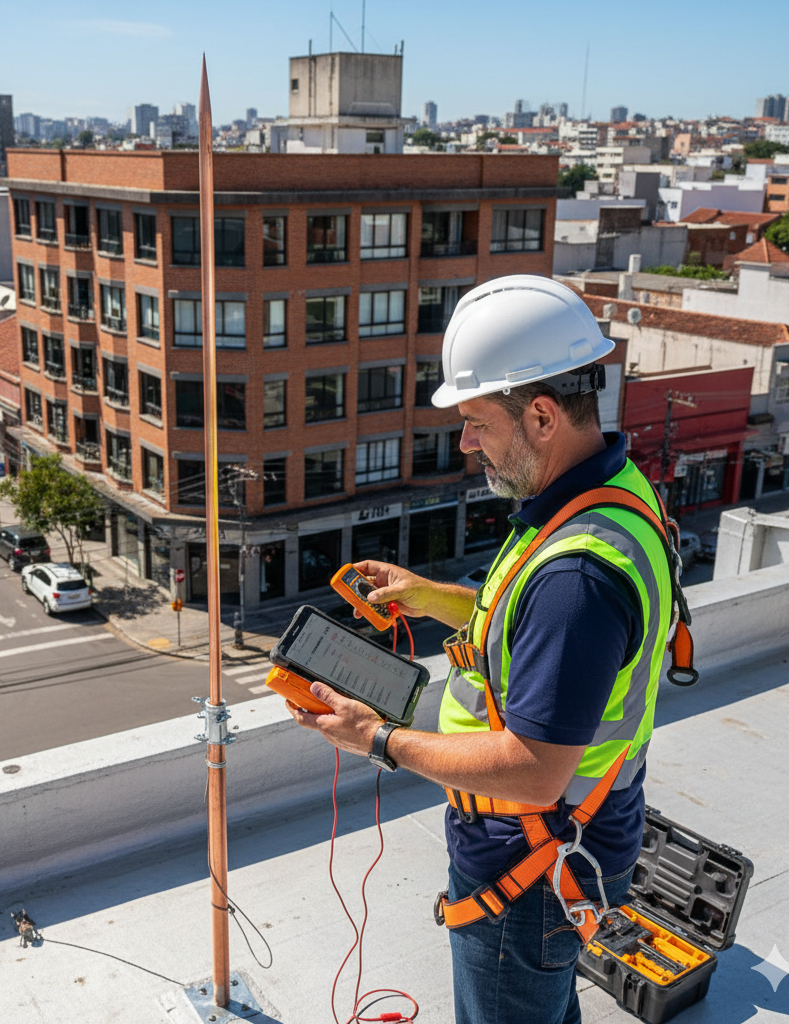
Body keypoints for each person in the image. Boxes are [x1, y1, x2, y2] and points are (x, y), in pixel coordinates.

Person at [287, 276, 682, 1024]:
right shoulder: (609, 494)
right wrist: (433, 596)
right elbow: (538, 632)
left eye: (476, 421)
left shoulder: (576, 572)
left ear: (539, 415)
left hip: (532, 858)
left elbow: (535, 770)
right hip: (566, 837)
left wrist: (376, 738)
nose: (465, 441)